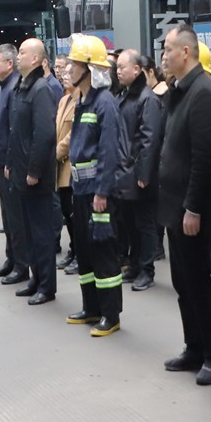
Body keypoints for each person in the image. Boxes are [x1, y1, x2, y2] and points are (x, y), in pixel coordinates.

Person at [157, 23, 211, 387]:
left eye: (168, 49)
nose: (164, 56)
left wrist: (194, 208)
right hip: (174, 204)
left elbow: (204, 159)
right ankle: (194, 347)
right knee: (183, 283)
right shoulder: (180, 90)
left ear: (185, 52)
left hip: (191, 209)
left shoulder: (202, 94)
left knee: (199, 285)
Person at [63, 35, 126, 336]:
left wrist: (102, 192)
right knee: (85, 251)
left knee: (103, 251)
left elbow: (109, 151)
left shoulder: (105, 103)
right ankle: (91, 308)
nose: (69, 69)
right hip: (80, 190)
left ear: (89, 69)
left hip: (98, 194)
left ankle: (110, 315)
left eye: (75, 64)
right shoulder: (82, 100)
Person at [9, 38, 62, 305]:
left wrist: (33, 171)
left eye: (22, 52)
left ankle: (47, 286)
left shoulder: (41, 90)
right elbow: (17, 132)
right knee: (29, 231)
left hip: (35, 178)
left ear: (35, 59)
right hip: (21, 173)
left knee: (42, 234)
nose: (18, 56)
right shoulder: (21, 87)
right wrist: (11, 165)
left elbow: (44, 134)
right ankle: (35, 278)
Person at [115, 48, 163, 292]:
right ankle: (134, 264)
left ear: (137, 70)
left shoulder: (147, 99)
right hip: (124, 171)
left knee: (145, 224)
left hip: (138, 173)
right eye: (117, 67)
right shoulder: (124, 95)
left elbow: (149, 140)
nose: (118, 71)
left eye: (122, 67)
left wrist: (144, 174)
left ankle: (146, 269)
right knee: (130, 222)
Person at [0, 45, 29, 285]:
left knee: (15, 217)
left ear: (10, 64)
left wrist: (10, 161)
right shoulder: (3, 86)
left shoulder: (14, 88)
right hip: (0, 159)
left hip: (8, 163)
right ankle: (11, 258)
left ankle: (21, 265)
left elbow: (15, 130)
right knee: (6, 214)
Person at [55, 65, 80, 275]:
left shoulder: (81, 101)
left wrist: (55, 152)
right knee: (66, 211)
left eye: (70, 74)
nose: (65, 77)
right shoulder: (64, 100)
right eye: (64, 74)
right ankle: (73, 250)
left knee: (75, 214)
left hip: (70, 164)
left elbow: (73, 135)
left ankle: (80, 253)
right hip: (60, 166)